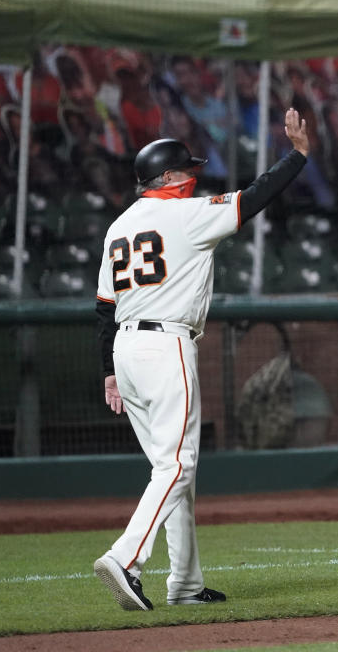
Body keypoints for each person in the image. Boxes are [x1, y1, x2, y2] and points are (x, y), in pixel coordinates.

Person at [93, 108, 310, 610]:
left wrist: (108, 371)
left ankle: (185, 585)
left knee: (173, 473)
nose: (193, 178)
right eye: (186, 171)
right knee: (179, 465)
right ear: (166, 178)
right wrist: (296, 156)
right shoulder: (184, 215)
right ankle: (126, 557)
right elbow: (254, 197)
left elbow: (104, 310)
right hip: (165, 346)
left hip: (126, 352)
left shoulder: (117, 227)